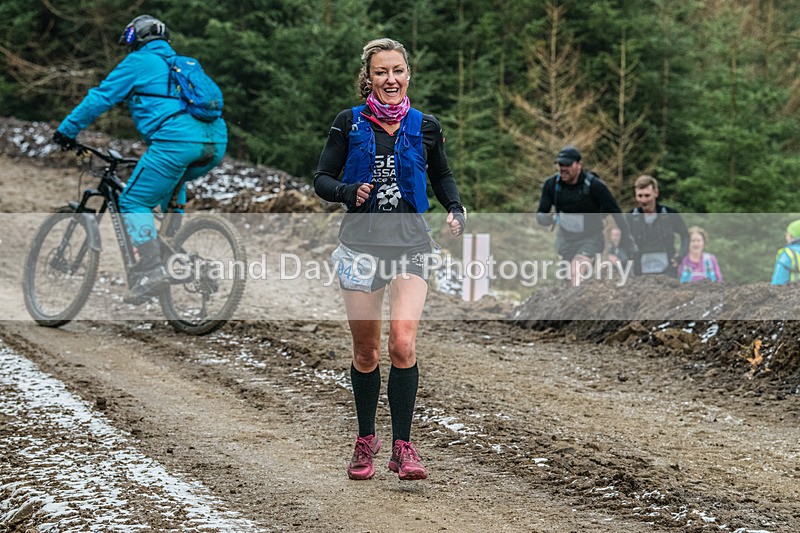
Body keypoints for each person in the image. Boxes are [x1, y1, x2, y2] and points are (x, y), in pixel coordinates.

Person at [313, 38, 465, 481]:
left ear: (408, 75)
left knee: (402, 343)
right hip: (360, 246)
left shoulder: (426, 126)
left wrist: (455, 208)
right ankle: (366, 439)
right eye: (381, 72)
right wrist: (346, 192)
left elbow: (442, 174)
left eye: (397, 70)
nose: (390, 79)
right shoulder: (349, 123)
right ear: (369, 78)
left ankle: (403, 446)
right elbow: (322, 177)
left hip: (411, 245)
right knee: (366, 352)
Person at [52, 14, 227, 303]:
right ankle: (168, 249)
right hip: (215, 142)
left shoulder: (138, 62)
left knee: (132, 201)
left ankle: (150, 270)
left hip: (175, 141)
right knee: (172, 180)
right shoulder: (182, 63)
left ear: (137, 40)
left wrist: (66, 131)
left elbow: (100, 98)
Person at [536, 146, 631, 286]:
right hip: (566, 239)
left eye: (567, 165)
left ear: (579, 164)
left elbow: (616, 212)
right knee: (568, 280)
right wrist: (546, 219)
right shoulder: (551, 185)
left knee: (576, 271)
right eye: (560, 165)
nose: (563, 169)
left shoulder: (594, 186)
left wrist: (627, 242)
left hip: (590, 238)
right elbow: (541, 213)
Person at [628, 175, 689, 277]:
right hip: (640, 273)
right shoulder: (630, 217)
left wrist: (680, 256)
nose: (643, 200)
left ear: (656, 193)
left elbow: (686, 236)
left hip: (668, 271)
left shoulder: (670, 214)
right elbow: (622, 240)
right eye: (640, 196)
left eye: (647, 195)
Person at [771, 219, 800, 285]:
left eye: (787, 234)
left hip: (792, 293)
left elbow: (778, 282)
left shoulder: (788, 254)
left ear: (792, 236)